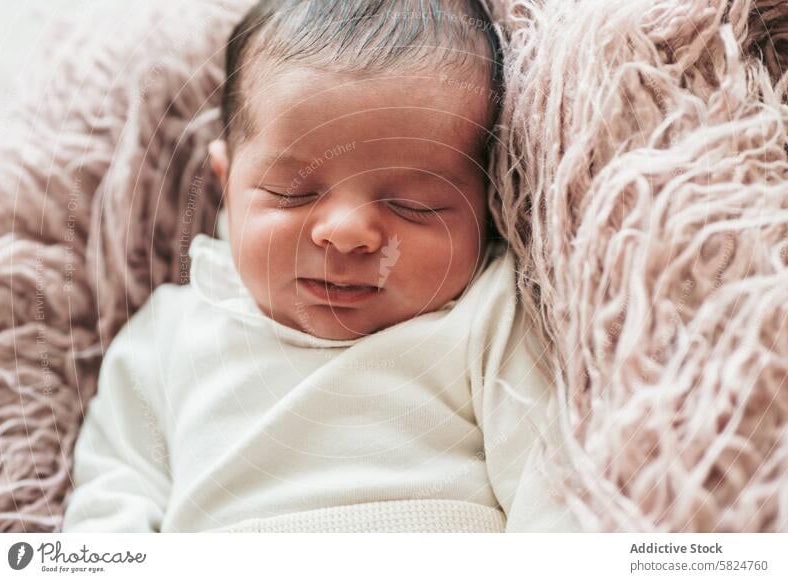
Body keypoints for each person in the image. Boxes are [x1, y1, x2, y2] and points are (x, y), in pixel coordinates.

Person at [62, 0, 578, 532]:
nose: (348, 233)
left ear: (486, 204)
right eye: (293, 191)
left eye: (415, 205)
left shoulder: (487, 313)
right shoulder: (170, 335)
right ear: (226, 184)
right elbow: (111, 496)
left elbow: (553, 484)